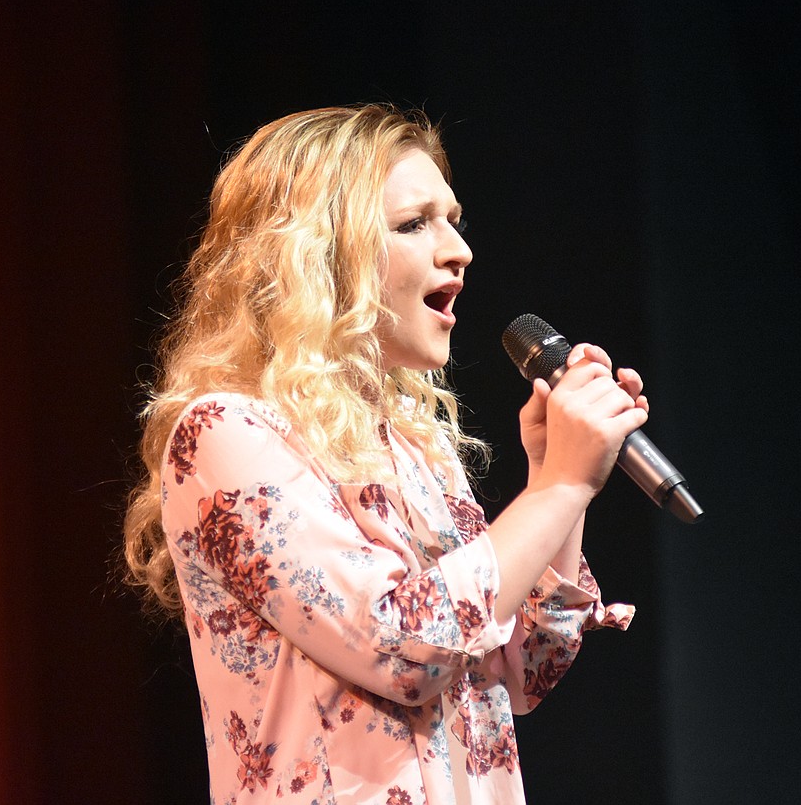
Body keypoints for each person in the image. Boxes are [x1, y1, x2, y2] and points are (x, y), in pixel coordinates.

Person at [123, 104, 648, 804]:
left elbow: (527, 667)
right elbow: (404, 648)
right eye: (413, 223)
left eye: (453, 219)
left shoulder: (417, 448)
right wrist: (556, 489)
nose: (458, 248)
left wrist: (560, 483)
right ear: (316, 254)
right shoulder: (225, 433)